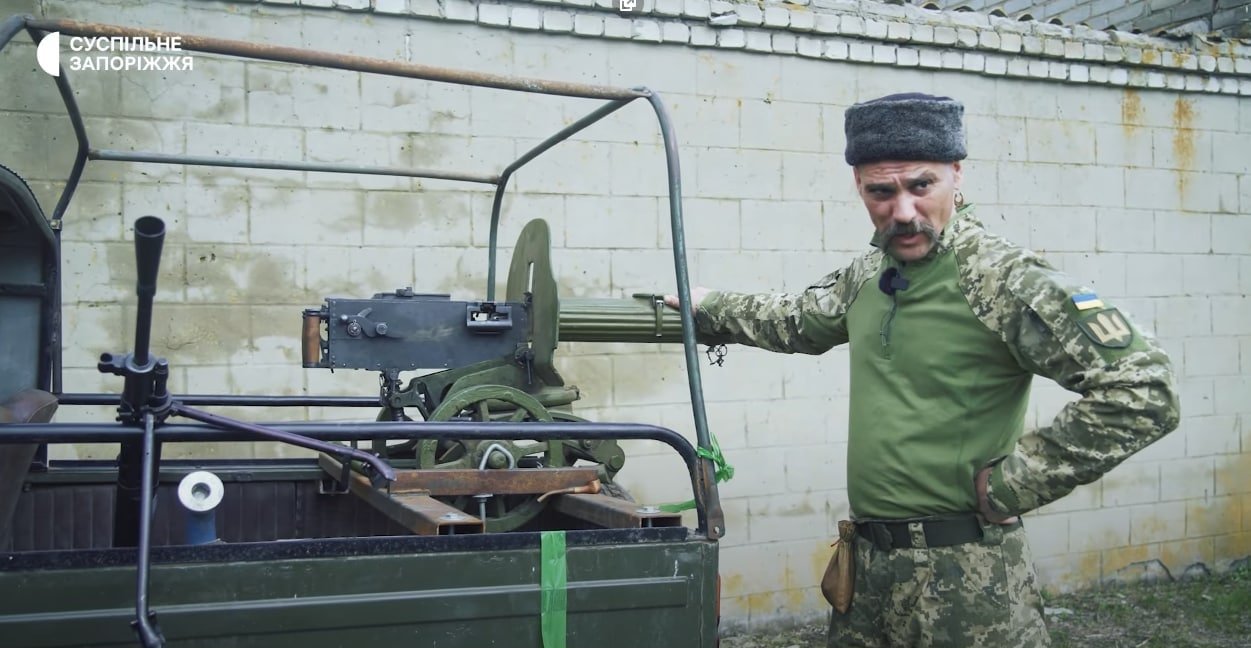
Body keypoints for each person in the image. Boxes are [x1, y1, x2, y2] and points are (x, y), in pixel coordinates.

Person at [664, 93, 1180, 647]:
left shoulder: (999, 280)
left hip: (965, 579)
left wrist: (1015, 483)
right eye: (881, 192)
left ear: (956, 174)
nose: (903, 211)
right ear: (858, 187)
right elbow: (797, 319)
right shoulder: (868, 274)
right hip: (868, 572)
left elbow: (1144, 388)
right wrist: (709, 305)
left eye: (920, 186)